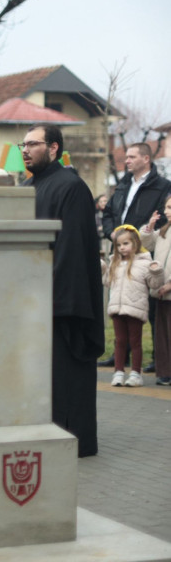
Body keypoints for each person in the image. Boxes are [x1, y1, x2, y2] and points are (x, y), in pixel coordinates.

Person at [22, 124, 103, 457]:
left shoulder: (71, 187)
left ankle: (72, 440)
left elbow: (72, 250)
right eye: (22, 145)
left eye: (33, 144)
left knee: (65, 377)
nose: (24, 150)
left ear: (54, 148)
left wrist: (55, 303)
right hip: (31, 300)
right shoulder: (29, 187)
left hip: (60, 302)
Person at [100, 143, 171, 371]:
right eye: (127, 157)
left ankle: (158, 359)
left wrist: (138, 237)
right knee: (120, 304)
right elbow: (109, 212)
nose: (126, 160)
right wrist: (113, 233)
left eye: (131, 157)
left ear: (146, 159)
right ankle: (122, 355)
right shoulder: (123, 184)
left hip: (145, 256)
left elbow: (163, 219)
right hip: (119, 254)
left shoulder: (162, 186)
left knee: (148, 307)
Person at [101, 225, 162, 387]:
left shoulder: (144, 263)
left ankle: (136, 373)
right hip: (117, 308)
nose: (122, 248)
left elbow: (154, 284)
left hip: (135, 309)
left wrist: (156, 271)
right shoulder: (115, 262)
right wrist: (102, 269)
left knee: (135, 342)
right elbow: (107, 282)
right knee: (119, 341)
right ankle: (118, 372)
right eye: (119, 245)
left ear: (135, 243)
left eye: (126, 243)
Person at [140, 197, 171, 386]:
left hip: (168, 289)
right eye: (167, 207)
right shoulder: (164, 232)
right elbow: (147, 244)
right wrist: (149, 227)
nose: (167, 211)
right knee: (162, 334)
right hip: (160, 291)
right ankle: (164, 371)